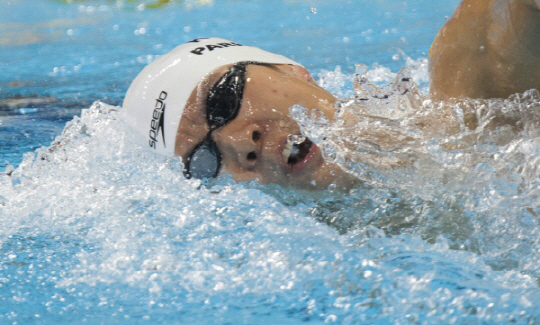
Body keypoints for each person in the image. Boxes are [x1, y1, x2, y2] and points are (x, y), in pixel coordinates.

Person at [123, 0, 540, 191]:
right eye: (204, 160)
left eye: (221, 101)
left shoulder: (481, 81)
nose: (235, 144)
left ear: (289, 69)